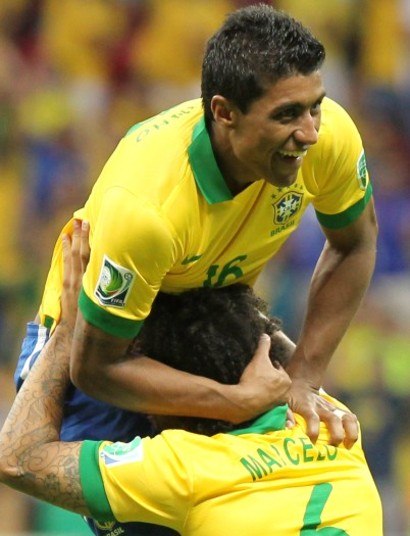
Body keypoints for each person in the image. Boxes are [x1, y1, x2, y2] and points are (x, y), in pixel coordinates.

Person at [15, 1, 376, 489]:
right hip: (102, 336)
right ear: (224, 113)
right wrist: (235, 401)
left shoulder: (328, 137)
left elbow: (354, 244)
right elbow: (96, 369)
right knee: (139, 511)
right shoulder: (148, 211)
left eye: (316, 105)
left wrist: (303, 378)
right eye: (288, 114)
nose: (311, 132)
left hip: (209, 330)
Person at [0, 224, 383, 535]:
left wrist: (70, 331)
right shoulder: (336, 424)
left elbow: (17, 460)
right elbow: (262, 342)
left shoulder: (184, 467)